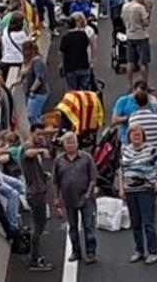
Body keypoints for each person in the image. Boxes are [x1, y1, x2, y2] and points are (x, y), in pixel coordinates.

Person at [119, 124, 157, 265]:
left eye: (139, 135)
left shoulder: (151, 150)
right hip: (130, 191)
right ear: (129, 137)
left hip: (146, 190)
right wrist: (122, 187)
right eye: (133, 135)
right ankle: (139, 250)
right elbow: (121, 168)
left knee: (148, 222)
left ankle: (152, 252)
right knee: (135, 223)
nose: (136, 137)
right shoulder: (125, 151)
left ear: (143, 137)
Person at [53, 131, 99, 264]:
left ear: (77, 144)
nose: (71, 145)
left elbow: (93, 178)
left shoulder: (86, 158)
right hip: (68, 199)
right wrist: (56, 198)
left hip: (86, 198)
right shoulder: (59, 161)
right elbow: (55, 181)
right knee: (72, 227)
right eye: (68, 142)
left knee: (89, 226)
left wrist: (88, 193)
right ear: (64, 145)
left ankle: (91, 252)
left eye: (73, 142)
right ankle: (76, 252)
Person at [21, 125, 55, 272]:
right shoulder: (28, 149)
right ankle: (34, 259)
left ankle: (35, 257)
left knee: (40, 225)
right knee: (38, 227)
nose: (41, 138)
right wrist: (41, 150)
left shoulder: (35, 151)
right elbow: (28, 153)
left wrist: (44, 175)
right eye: (38, 134)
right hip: (35, 194)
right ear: (32, 133)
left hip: (38, 191)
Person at [122, 0, 152, 89]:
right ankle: (145, 85)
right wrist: (149, 10)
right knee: (143, 62)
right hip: (141, 35)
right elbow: (146, 22)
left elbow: (122, 18)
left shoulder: (125, 6)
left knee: (130, 62)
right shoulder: (140, 8)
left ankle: (129, 84)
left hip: (129, 35)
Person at [22, 41, 50, 125]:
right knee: (36, 115)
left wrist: (32, 90)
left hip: (38, 93)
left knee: (32, 116)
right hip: (34, 93)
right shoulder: (32, 62)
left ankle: (39, 130)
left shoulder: (37, 63)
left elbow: (39, 79)